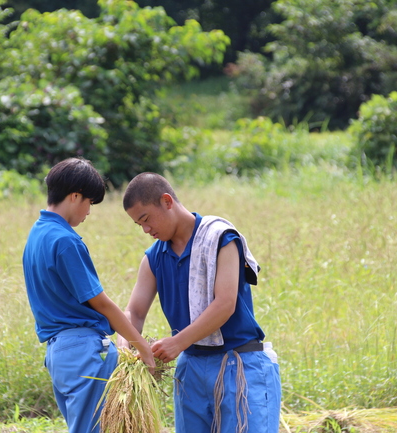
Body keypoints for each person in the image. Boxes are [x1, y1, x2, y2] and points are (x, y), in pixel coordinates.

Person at [119, 172, 281, 433]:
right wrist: (125, 346)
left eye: (146, 219)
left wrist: (178, 342)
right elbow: (134, 312)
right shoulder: (154, 258)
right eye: (139, 225)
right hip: (192, 371)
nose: (146, 230)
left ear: (167, 201)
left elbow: (225, 303)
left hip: (239, 366)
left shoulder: (220, 237)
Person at [22, 158, 155, 433]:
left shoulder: (36, 234)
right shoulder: (65, 240)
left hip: (59, 355)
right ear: (74, 196)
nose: (88, 212)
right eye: (89, 203)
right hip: (81, 351)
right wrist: (141, 346)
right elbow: (102, 304)